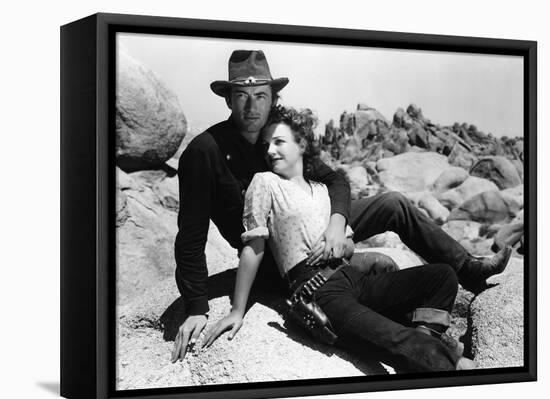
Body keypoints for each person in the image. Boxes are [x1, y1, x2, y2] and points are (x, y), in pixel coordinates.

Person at [171, 49, 511, 363]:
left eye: (260, 95)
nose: (251, 107)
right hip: (279, 259)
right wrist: (197, 307)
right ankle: (429, 345)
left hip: (315, 228)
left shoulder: (276, 135)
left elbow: (334, 179)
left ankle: (470, 272)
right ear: (229, 99)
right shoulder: (205, 152)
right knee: (379, 266)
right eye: (242, 96)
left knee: (392, 203)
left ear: (273, 97)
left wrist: (337, 224)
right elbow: (190, 236)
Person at [202, 106, 475, 372]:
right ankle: (443, 362)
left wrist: (339, 244)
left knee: (443, 277)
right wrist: (237, 309)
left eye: (279, 142)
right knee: (398, 339)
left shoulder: (322, 189)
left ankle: (425, 349)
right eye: (266, 144)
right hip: (318, 293)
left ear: (301, 144)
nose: (270, 150)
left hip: (351, 275)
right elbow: (253, 247)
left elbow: (349, 244)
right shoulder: (264, 182)